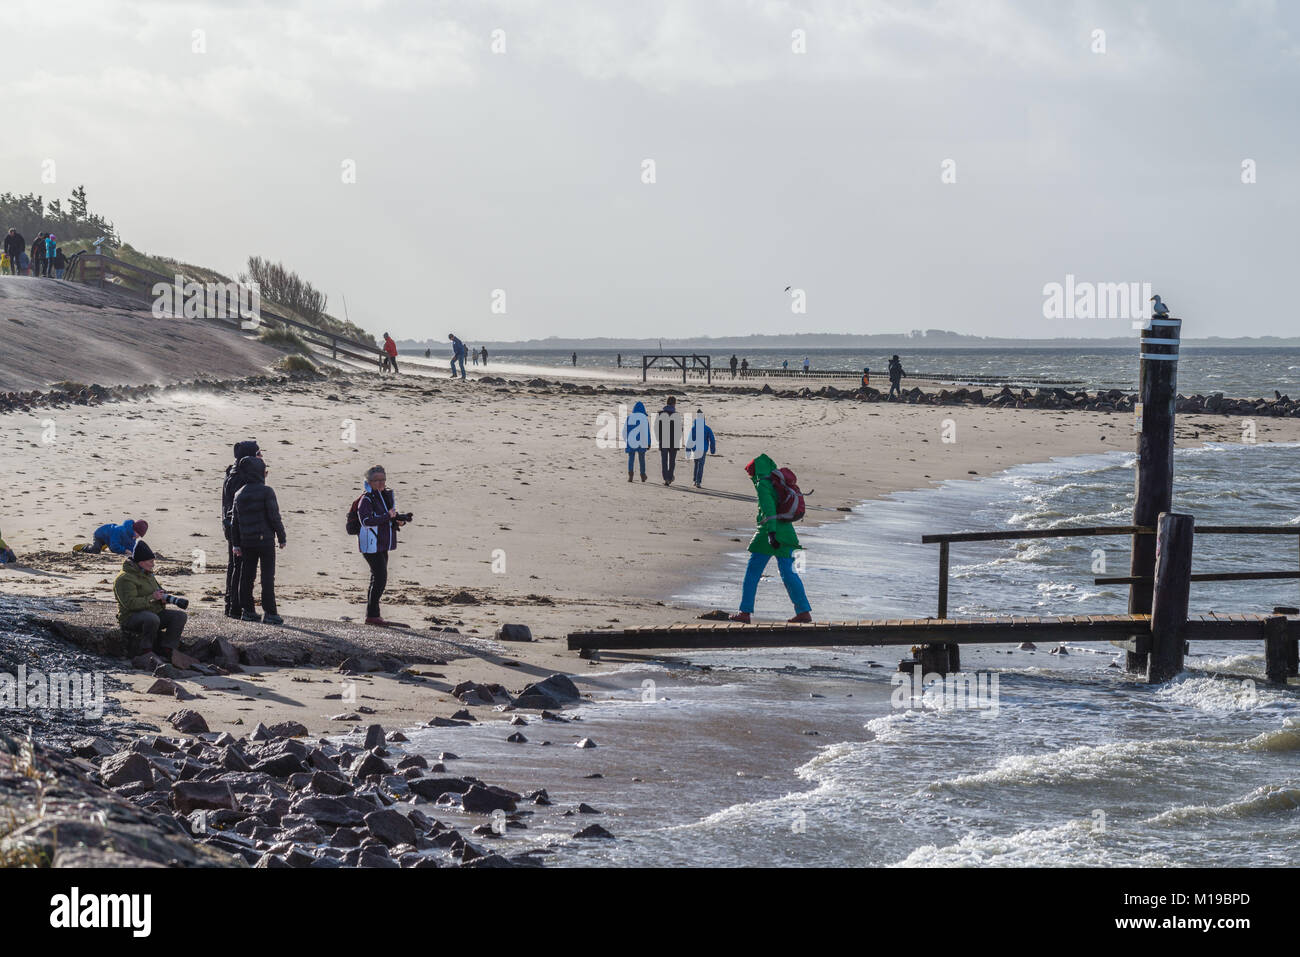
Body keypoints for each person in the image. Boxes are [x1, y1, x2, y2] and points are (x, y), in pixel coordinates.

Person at [730, 454, 812, 624]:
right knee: (789, 574)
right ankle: (803, 611)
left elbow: (769, 510)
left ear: (755, 472)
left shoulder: (763, 485)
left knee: (753, 572)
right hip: (788, 534)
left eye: (750, 474)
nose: (750, 477)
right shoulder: (778, 483)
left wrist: (771, 534)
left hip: (769, 533)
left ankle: (744, 612)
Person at [230, 455, 286, 624]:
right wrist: (282, 537)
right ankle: (270, 613)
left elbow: (235, 522)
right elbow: (274, 517)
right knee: (267, 577)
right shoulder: (266, 491)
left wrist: (236, 544)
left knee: (247, 577)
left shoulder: (239, 493)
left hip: (247, 542)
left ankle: (248, 611)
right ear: (260, 473)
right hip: (265, 541)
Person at [114, 540, 186, 657]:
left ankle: (168, 649)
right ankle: (146, 650)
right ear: (141, 562)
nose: (153, 564)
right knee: (152, 619)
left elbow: (158, 590)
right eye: (151, 561)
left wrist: (163, 598)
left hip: (152, 612)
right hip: (130, 617)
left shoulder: (148, 574)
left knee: (180, 616)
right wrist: (152, 598)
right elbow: (130, 604)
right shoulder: (124, 579)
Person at [356, 465, 407, 626]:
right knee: (380, 577)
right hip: (370, 543)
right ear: (369, 482)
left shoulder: (386, 495)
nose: (380, 483)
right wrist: (387, 516)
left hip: (382, 543)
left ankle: (373, 615)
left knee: (378, 577)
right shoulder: (366, 499)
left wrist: (400, 520)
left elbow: (390, 516)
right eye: (376, 480)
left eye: (382, 480)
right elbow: (365, 521)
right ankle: (372, 615)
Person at [222, 440, 261, 618]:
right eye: (258, 453)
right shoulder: (241, 477)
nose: (260, 456)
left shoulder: (232, 472)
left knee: (234, 566)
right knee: (241, 567)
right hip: (240, 528)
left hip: (230, 526)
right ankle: (237, 607)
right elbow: (243, 505)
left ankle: (231, 605)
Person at [75, 518, 147, 555]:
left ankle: (105, 545)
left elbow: (131, 547)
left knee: (114, 542)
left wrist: (134, 552)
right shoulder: (119, 530)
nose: (138, 537)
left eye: (140, 536)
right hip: (101, 535)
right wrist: (124, 550)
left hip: (110, 539)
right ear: (134, 529)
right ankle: (85, 547)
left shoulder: (132, 536)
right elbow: (114, 547)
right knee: (96, 550)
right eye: (138, 533)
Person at [655, 396, 682, 486]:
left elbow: (656, 428)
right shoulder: (677, 415)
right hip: (674, 441)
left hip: (664, 439)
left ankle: (666, 478)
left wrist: (658, 438)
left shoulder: (660, 414)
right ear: (674, 404)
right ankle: (670, 477)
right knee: (672, 461)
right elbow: (679, 429)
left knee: (664, 460)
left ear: (667, 403)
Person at [687, 409, 717, 488]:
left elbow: (690, 439)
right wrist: (712, 449)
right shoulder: (707, 428)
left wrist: (688, 450)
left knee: (696, 464)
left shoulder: (693, 428)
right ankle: (698, 482)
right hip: (703, 449)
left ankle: (695, 480)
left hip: (695, 449)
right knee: (700, 465)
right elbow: (712, 440)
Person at [624, 401, 650, 482]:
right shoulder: (644, 418)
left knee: (631, 458)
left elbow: (625, 430)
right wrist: (648, 442)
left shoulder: (629, 418)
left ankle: (630, 475)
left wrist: (626, 440)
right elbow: (647, 432)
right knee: (641, 459)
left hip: (631, 441)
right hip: (642, 441)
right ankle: (642, 475)